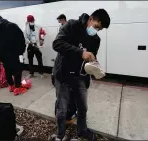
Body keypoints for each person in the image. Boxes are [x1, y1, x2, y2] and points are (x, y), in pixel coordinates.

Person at [52, 9, 110, 141]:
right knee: (62, 109)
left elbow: (91, 58)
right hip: (64, 74)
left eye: (99, 29)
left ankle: (82, 130)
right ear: (90, 19)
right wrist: (80, 52)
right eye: (96, 26)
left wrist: (94, 65)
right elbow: (57, 44)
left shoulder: (95, 39)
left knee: (83, 108)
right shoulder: (72, 25)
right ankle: (60, 135)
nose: (96, 31)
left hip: (80, 77)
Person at [0, 14, 27, 95]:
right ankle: (18, 88)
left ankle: (11, 86)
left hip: (2, 55)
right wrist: (21, 50)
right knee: (17, 69)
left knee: (8, 70)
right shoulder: (12, 26)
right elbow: (21, 39)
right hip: (15, 53)